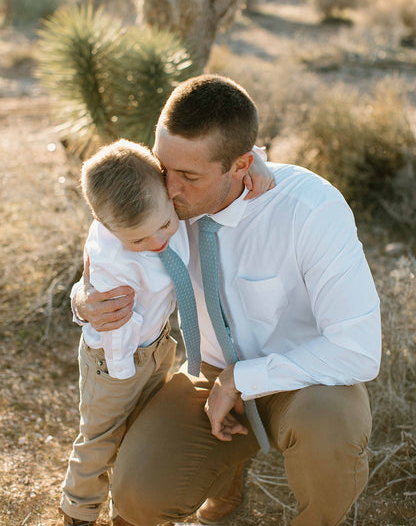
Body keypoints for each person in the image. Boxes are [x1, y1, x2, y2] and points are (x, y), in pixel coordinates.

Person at [73, 74, 381, 526]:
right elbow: (107, 247)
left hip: (307, 380)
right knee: (138, 495)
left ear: (241, 166)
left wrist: (242, 378)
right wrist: (83, 302)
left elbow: (358, 350)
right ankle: (226, 488)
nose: (169, 190)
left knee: (332, 430)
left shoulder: (311, 210)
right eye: (164, 168)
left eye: (188, 177)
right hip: (208, 373)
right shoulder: (161, 199)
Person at [61, 137, 272, 526]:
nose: (159, 242)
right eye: (140, 240)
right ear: (108, 227)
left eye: (164, 227)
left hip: (158, 346)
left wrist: (254, 159)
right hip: (114, 360)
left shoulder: (162, 201)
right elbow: (116, 329)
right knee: (101, 436)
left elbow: (219, 158)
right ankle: (78, 510)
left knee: (139, 427)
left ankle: (125, 509)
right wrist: (124, 375)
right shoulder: (115, 262)